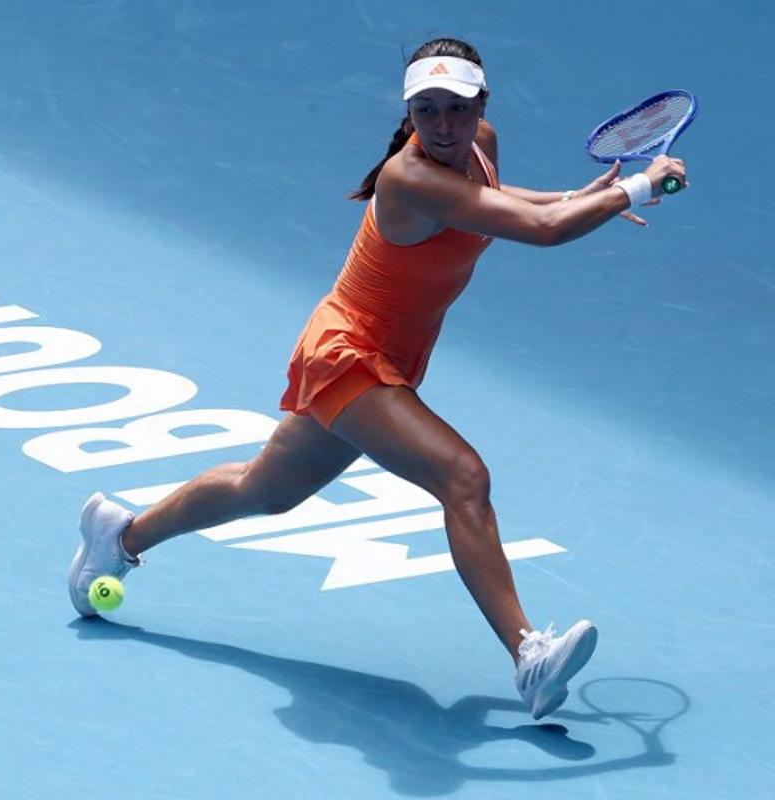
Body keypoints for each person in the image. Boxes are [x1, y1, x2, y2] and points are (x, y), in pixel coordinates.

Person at [67, 37, 687, 720]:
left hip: (390, 357)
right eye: (427, 111)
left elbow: (495, 199)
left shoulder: (481, 142)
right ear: (410, 111)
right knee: (463, 478)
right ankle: (528, 655)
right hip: (349, 354)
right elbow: (540, 232)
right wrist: (642, 183)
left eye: (456, 108)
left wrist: (578, 194)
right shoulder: (406, 177)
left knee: (263, 491)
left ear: (481, 103)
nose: (444, 125)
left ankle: (118, 538)